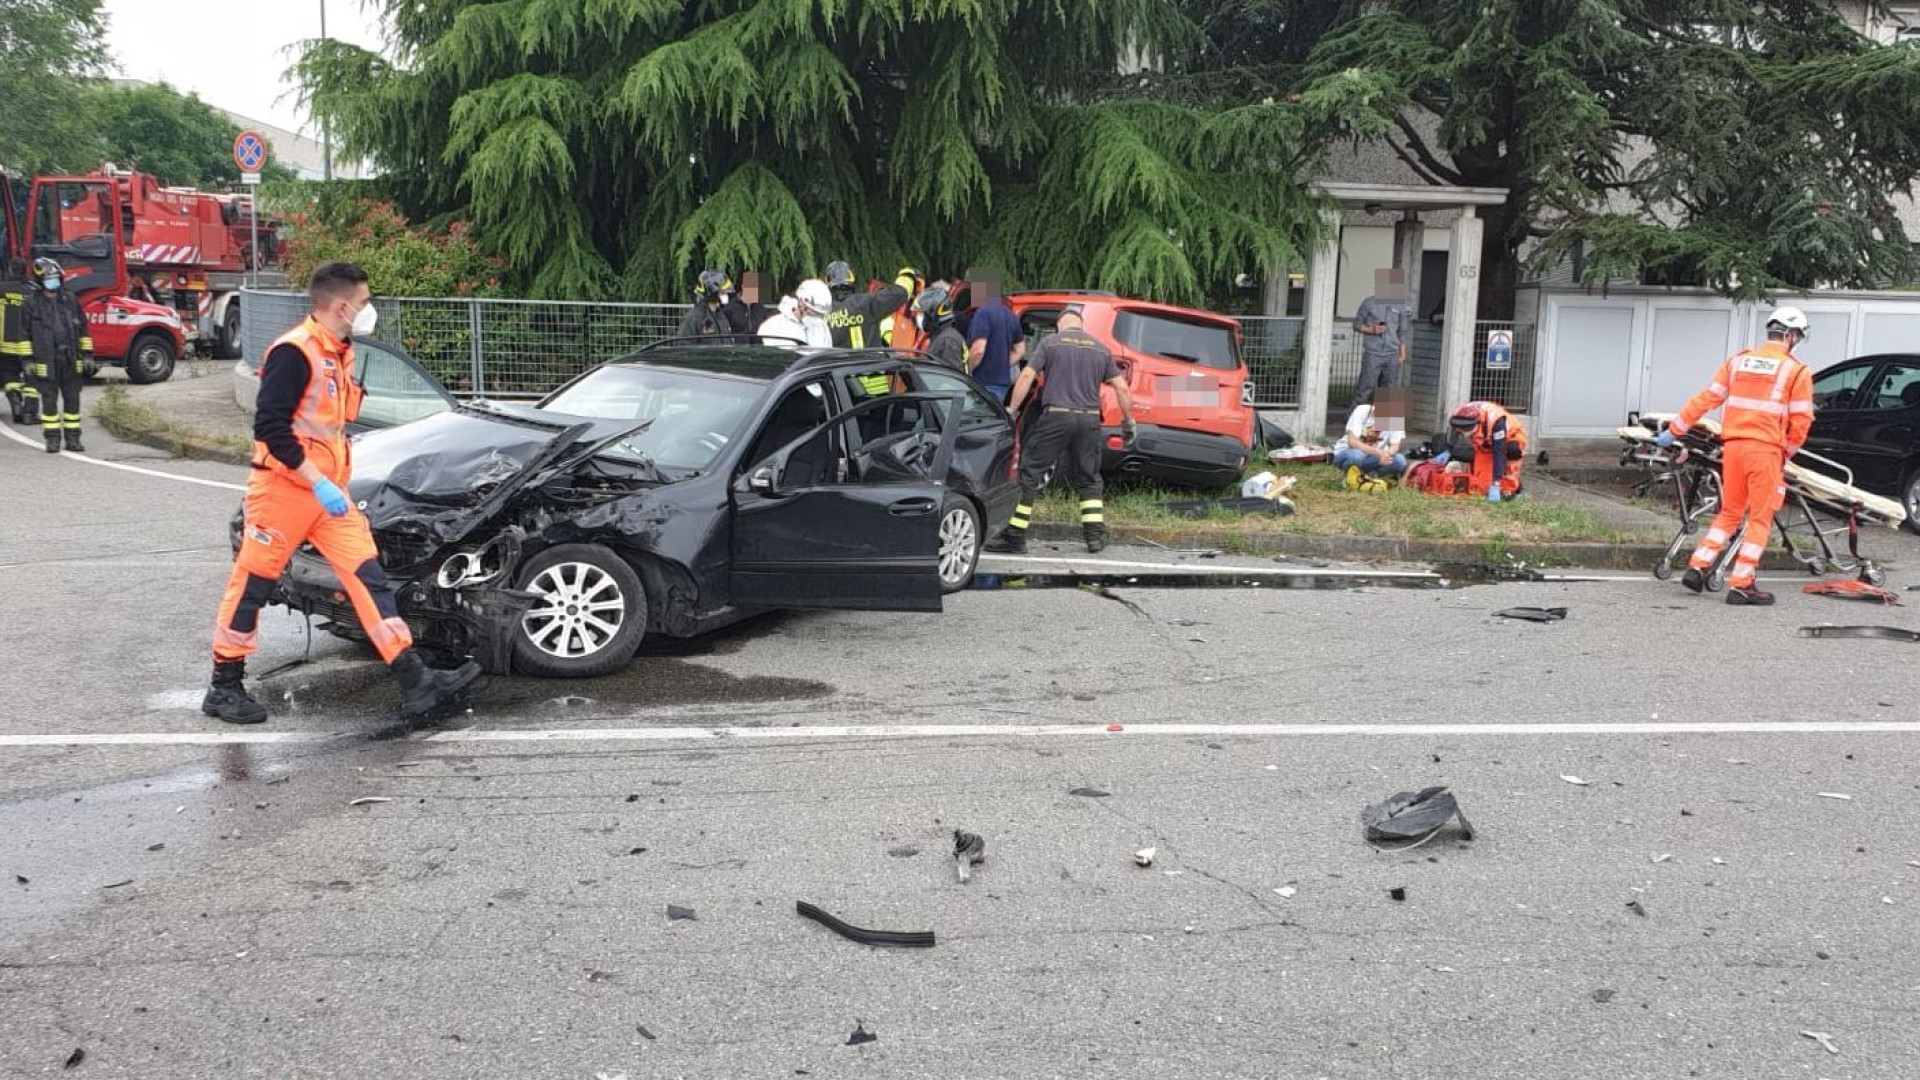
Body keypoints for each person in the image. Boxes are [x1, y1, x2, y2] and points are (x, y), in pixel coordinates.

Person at [204, 263, 482, 725]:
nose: (368, 309)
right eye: (365, 301)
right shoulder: (296, 352)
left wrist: (327, 484)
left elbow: (332, 422)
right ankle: (224, 684)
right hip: (284, 492)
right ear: (342, 306)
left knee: (368, 578)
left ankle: (415, 680)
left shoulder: (339, 351)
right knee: (253, 584)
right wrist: (315, 481)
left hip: (328, 494)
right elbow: (271, 428)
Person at [1653, 306, 1815, 606]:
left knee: (1730, 512)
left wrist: (1675, 430)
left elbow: (1707, 398)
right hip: (1765, 451)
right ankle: (1742, 584)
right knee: (1760, 518)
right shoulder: (1796, 371)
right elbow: (1801, 421)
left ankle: (1698, 565)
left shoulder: (1738, 361)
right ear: (1791, 336)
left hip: (1734, 449)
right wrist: (1786, 453)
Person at [985, 308, 1137, 555]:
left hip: (1056, 416)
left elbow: (1026, 376)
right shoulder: (1100, 348)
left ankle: (1014, 536)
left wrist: (1011, 411)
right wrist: (1129, 422)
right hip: (1089, 421)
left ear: (1059, 325)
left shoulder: (1051, 343)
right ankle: (1095, 537)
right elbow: (1121, 388)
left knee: (1029, 473)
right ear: (1081, 324)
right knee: (1089, 478)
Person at [22, 258, 91, 453]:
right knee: (49, 403)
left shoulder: (70, 300)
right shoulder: (31, 304)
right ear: (39, 280)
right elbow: (23, 334)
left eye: (56, 278)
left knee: (72, 401)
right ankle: (52, 439)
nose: (54, 282)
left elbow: (83, 329)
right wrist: (27, 360)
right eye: (49, 279)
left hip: (70, 358)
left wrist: (87, 355)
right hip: (46, 361)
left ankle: (73, 439)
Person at [826, 263, 919, 395]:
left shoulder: (821, 314)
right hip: (873, 391)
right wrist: (907, 275)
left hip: (839, 391)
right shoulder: (866, 303)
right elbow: (899, 293)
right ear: (851, 279)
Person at [1448, 399, 1527, 502]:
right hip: (1485, 442)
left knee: (1513, 451)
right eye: (1461, 429)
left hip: (1510, 437)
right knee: (1483, 488)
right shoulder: (1459, 415)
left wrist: (1495, 484)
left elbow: (1499, 452)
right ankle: (1494, 478)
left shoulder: (1496, 421)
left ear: (1478, 423)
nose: (1463, 433)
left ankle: (1514, 487)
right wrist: (1448, 449)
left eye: (1466, 430)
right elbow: (1454, 432)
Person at [1353, 268, 1412, 402]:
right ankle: (1354, 421)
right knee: (1364, 389)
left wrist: (1402, 354)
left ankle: (1386, 423)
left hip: (1392, 354)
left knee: (1389, 392)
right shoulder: (1368, 303)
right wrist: (1371, 330)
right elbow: (1356, 325)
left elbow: (1403, 331)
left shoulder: (1401, 305)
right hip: (1373, 353)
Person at [1332, 388, 1407, 487]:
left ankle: (1370, 477)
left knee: (1399, 460)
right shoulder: (1362, 410)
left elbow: (1395, 446)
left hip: (1374, 457)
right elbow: (1352, 442)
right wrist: (1378, 453)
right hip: (1348, 453)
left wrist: (1386, 454)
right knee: (1356, 456)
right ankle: (1349, 478)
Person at [966, 276, 1024, 403]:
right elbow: (1020, 350)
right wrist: (1002, 365)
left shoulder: (983, 313)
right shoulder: (1010, 315)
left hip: (982, 384)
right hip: (1002, 384)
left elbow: (978, 350)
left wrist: (966, 370)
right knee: (991, 421)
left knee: (975, 421)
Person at [0, 256, 40, 426]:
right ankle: (30, 412)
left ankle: (16, 404)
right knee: (32, 377)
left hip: (4, 343)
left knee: (10, 375)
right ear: (25, 271)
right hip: (28, 345)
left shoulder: (1, 289)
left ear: (10, 270)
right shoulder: (33, 292)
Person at [759, 279, 833, 348]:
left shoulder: (821, 326)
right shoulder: (774, 326)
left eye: (820, 315)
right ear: (801, 303)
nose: (817, 318)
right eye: (814, 313)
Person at [677, 269, 748, 337]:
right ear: (712, 293)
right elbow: (683, 344)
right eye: (723, 292)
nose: (726, 294)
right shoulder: (695, 318)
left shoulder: (721, 316)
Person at [915, 285, 967, 370]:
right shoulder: (942, 335)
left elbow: (951, 379)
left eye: (921, 313)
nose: (917, 316)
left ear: (932, 315)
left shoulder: (947, 340)